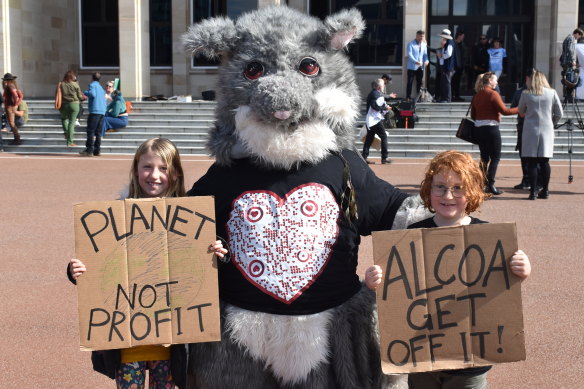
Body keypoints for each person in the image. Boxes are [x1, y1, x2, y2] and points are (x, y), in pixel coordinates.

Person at [67, 137, 228, 389]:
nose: (154, 175)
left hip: (171, 343)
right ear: (135, 170)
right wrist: (76, 270)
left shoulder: (190, 217)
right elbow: (98, 265)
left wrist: (218, 251)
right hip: (128, 342)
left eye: (163, 168)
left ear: (175, 173)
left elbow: (206, 263)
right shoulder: (116, 215)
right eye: (147, 167)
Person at [365, 150, 531, 389]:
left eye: (458, 188)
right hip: (422, 356)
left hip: (470, 361)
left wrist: (522, 270)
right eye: (440, 187)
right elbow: (393, 286)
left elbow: (501, 283)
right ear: (428, 190)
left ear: (472, 191)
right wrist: (375, 281)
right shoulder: (410, 236)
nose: (448, 195)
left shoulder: (488, 237)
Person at [518, 69, 563, 200]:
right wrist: (552, 122)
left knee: (532, 162)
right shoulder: (552, 93)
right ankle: (546, 190)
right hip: (546, 128)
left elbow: (521, 110)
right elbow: (559, 113)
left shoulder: (526, 94)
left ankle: (533, 192)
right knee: (544, 161)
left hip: (530, 129)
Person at [470, 72, 519, 195]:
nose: (497, 82)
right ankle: (490, 183)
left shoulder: (477, 95)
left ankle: (481, 182)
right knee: (495, 157)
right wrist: (520, 109)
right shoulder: (493, 93)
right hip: (491, 128)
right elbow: (505, 111)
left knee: (484, 157)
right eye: (495, 80)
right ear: (490, 81)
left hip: (479, 128)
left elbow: (473, 115)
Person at [362, 78, 391, 164]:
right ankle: (384, 158)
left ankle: (364, 157)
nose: (384, 86)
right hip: (374, 120)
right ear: (379, 86)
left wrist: (385, 108)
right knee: (384, 136)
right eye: (383, 85)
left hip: (371, 120)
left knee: (369, 139)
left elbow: (377, 105)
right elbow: (375, 106)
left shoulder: (375, 93)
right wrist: (384, 108)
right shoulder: (375, 94)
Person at [81, 72, 107, 157]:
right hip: (102, 111)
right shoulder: (101, 87)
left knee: (91, 131)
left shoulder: (92, 85)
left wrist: (85, 92)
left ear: (92, 78)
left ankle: (89, 150)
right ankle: (97, 150)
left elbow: (92, 94)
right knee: (98, 132)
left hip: (95, 110)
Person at [58, 70, 86, 147]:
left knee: (64, 119)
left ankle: (66, 133)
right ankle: (70, 142)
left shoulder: (61, 84)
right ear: (72, 77)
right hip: (74, 104)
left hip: (63, 105)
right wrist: (84, 98)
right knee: (71, 122)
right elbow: (80, 96)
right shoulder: (75, 85)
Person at [406, 30, 429, 101]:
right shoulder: (410, 44)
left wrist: (427, 61)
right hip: (412, 67)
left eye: (423, 36)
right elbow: (410, 55)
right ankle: (408, 97)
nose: (422, 38)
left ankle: (418, 97)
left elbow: (425, 55)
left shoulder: (424, 44)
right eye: (420, 36)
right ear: (417, 36)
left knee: (419, 82)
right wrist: (416, 62)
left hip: (420, 67)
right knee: (410, 82)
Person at [2, 73, 23, 145]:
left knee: (11, 123)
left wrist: (14, 104)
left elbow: (15, 95)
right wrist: (16, 104)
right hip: (11, 106)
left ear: (7, 80)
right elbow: (20, 96)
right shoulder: (14, 86)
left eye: (5, 80)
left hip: (9, 106)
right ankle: (17, 139)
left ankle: (17, 139)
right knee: (12, 123)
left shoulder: (9, 86)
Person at [436, 29, 455, 103]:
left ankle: (447, 99)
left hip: (448, 67)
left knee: (446, 83)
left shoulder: (450, 42)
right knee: (444, 82)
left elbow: (448, 54)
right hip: (445, 66)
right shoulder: (447, 42)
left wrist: (441, 55)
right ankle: (444, 98)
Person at [451, 30, 466, 102]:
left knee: (457, 82)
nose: (463, 37)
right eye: (462, 36)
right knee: (452, 81)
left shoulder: (462, 45)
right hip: (454, 67)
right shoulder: (453, 44)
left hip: (460, 67)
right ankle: (451, 96)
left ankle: (456, 96)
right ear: (459, 36)